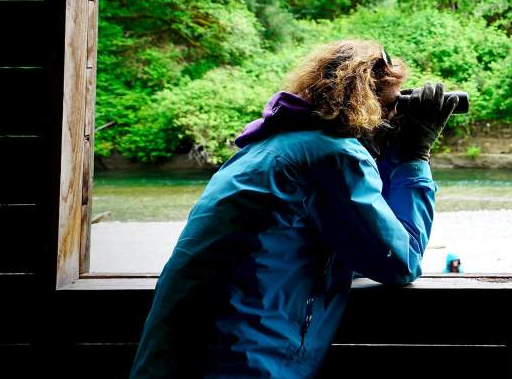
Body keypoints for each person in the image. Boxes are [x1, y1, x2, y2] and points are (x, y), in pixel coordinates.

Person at [129, 39, 458, 379]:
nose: (391, 120)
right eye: (390, 107)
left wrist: (388, 155)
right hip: (242, 363)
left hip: (177, 360)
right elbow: (401, 261)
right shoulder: (331, 156)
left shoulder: (268, 146)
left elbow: (361, 245)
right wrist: (414, 156)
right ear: (367, 104)